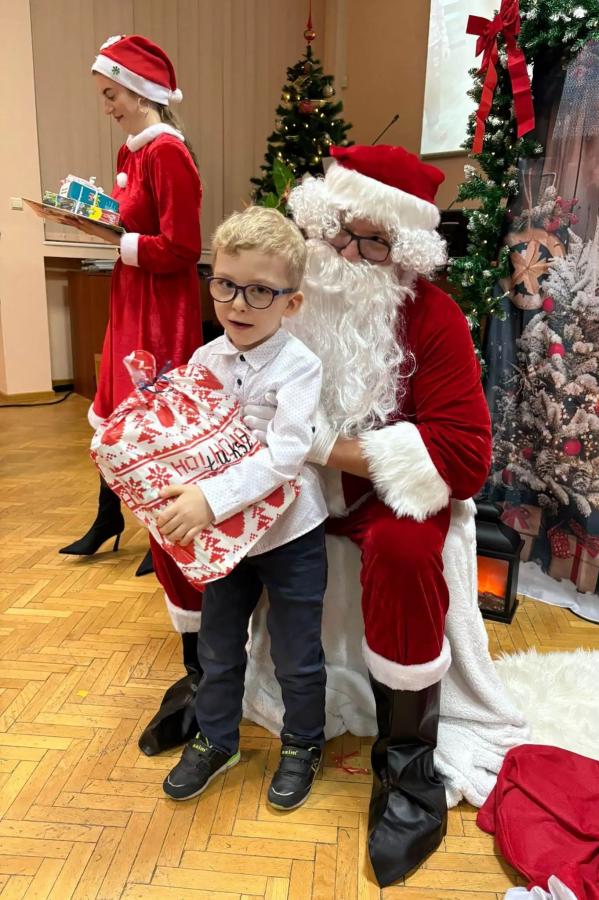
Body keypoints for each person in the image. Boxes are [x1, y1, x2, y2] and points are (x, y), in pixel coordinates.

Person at [243, 145, 494, 885]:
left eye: (374, 241)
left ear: (404, 249)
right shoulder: (286, 292)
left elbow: (463, 456)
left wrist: (323, 446)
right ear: (317, 221)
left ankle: (408, 763)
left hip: (383, 492)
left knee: (404, 549)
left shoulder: (433, 317)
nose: (348, 253)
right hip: (289, 480)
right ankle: (208, 683)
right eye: (339, 231)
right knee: (199, 512)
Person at [59, 34, 206, 745]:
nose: (107, 106)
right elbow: (132, 221)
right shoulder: (132, 152)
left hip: (160, 308)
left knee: (152, 426)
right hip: (131, 297)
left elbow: (182, 247)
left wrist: (114, 241)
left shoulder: (170, 152)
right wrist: (91, 220)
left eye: (111, 93)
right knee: (115, 417)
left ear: (141, 90)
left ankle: (163, 534)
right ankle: (118, 520)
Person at [160, 207, 329, 809]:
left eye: (260, 290)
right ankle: (216, 738)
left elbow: (287, 456)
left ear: (292, 302)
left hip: (290, 536)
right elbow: (188, 438)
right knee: (217, 644)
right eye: (225, 284)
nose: (237, 303)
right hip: (225, 541)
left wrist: (211, 497)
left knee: (296, 652)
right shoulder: (204, 360)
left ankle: (303, 744)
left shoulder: (300, 366)